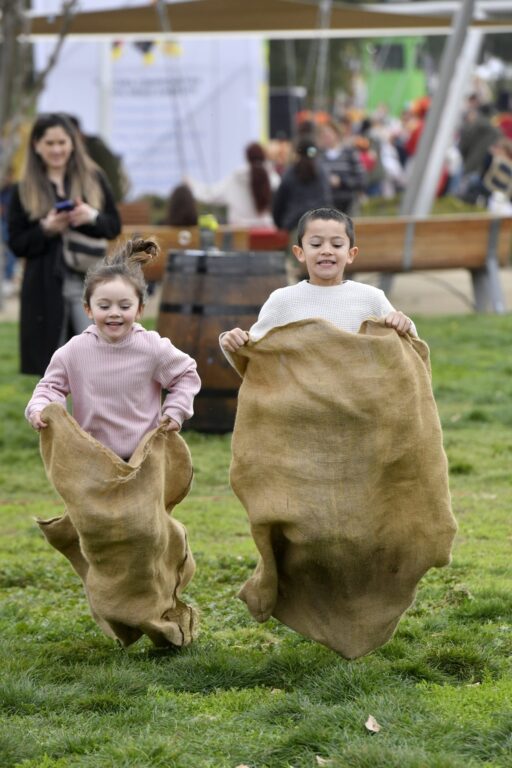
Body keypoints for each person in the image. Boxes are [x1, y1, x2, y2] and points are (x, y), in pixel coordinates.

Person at [25, 238, 201, 460]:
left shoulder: (152, 347)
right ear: (88, 309)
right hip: (91, 459)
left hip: (145, 459)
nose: (114, 313)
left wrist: (175, 411)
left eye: (125, 306)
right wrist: (39, 408)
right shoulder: (74, 351)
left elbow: (185, 374)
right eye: (104, 306)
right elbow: (51, 388)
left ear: (139, 310)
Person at [8, 112, 122, 375]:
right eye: (50, 143)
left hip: (89, 279)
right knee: (54, 367)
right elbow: (17, 243)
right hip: (45, 286)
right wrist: (46, 229)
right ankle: (54, 415)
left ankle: (95, 415)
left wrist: (90, 217)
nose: (57, 149)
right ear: (36, 145)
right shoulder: (24, 188)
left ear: (73, 143)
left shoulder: (93, 178)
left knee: (99, 358)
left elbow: (112, 226)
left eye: (62, 142)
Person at [220, 207, 415, 357]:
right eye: (316, 244)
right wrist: (235, 342)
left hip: (358, 406)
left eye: (337, 244)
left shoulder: (371, 298)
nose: (326, 250)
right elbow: (255, 354)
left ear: (351, 254)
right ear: (299, 252)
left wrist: (404, 325)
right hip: (301, 407)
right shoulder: (283, 301)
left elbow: (410, 347)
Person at [187, 142, 280, 228]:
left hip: (239, 234)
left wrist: (192, 186)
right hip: (266, 233)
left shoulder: (235, 180)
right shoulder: (274, 179)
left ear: (247, 157)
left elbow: (210, 195)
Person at [272, 137, 333, 234]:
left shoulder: (290, 173)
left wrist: (280, 225)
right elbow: (326, 199)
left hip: (295, 226)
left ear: (297, 153)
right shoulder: (322, 172)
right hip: (320, 225)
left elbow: (279, 202)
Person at [316, 117, 366, 215]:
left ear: (336, 134)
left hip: (348, 206)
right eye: (323, 135)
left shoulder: (350, 154)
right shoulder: (319, 157)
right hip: (326, 207)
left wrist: (341, 182)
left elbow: (361, 180)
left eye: (328, 134)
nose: (326, 137)